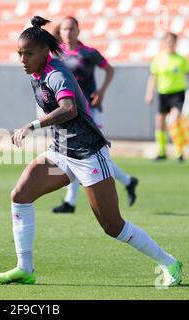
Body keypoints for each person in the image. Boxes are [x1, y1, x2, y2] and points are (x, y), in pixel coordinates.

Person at [0, 16, 182, 286]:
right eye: (20, 53)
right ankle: (25, 268)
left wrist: (32, 125)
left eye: (28, 54)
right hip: (61, 152)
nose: (22, 59)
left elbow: (70, 109)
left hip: (89, 154)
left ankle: (170, 262)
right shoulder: (35, 72)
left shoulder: (56, 73)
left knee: (112, 226)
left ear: (45, 52)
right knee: (20, 195)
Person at [51, 16, 138, 214]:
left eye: (72, 28)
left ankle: (72, 201)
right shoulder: (57, 55)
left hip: (90, 110)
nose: (68, 32)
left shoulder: (88, 53)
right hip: (69, 112)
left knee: (92, 152)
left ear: (78, 31)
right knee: (71, 153)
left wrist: (101, 91)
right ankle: (126, 181)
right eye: (65, 29)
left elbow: (109, 69)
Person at [145, 32, 189, 162]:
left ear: (176, 43)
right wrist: (149, 93)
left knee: (173, 119)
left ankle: (179, 151)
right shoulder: (158, 59)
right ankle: (162, 151)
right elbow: (153, 76)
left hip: (178, 93)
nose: (170, 44)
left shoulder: (181, 59)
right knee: (160, 123)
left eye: (172, 41)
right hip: (163, 93)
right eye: (167, 41)